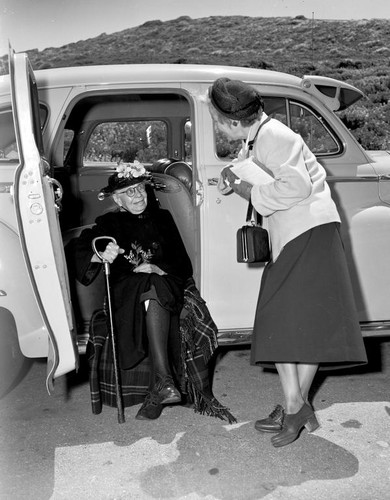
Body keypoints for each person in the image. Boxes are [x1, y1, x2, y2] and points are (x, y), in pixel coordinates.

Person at [207, 77, 367, 447]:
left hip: (308, 233)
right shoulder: (259, 135)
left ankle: (295, 405)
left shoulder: (275, 136)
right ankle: (296, 406)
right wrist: (235, 174)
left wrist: (245, 187)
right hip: (303, 233)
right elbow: (258, 167)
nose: (216, 126)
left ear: (233, 121)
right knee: (298, 323)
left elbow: (294, 187)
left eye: (217, 120)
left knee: (279, 317)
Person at [74, 161, 193, 420]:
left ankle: (161, 385)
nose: (138, 195)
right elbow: (81, 248)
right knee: (148, 286)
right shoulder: (109, 223)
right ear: (118, 198)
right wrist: (100, 254)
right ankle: (162, 383)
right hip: (126, 292)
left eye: (140, 188)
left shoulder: (163, 218)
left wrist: (157, 267)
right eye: (130, 192)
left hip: (164, 283)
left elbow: (183, 264)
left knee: (154, 284)